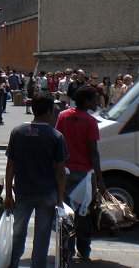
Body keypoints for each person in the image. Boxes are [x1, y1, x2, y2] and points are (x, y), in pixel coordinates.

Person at [4, 92, 67, 268]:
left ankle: (12, 264)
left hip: (23, 192)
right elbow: (60, 172)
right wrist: (60, 198)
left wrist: (8, 194)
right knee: (42, 236)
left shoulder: (17, 132)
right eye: (54, 109)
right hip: (47, 194)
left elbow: (11, 166)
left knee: (18, 233)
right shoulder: (56, 136)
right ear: (48, 111)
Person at [55, 85, 106, 262]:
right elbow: (94, 151)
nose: (97, 102)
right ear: (86, 101)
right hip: (84, 175)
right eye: (94, 99)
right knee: (84, 215)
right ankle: (84, 251)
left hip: (65, 173)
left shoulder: (63, 115)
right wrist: (100, 179)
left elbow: (57, 141)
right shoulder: (91, 122)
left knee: (67, 214)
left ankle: (67, 250)